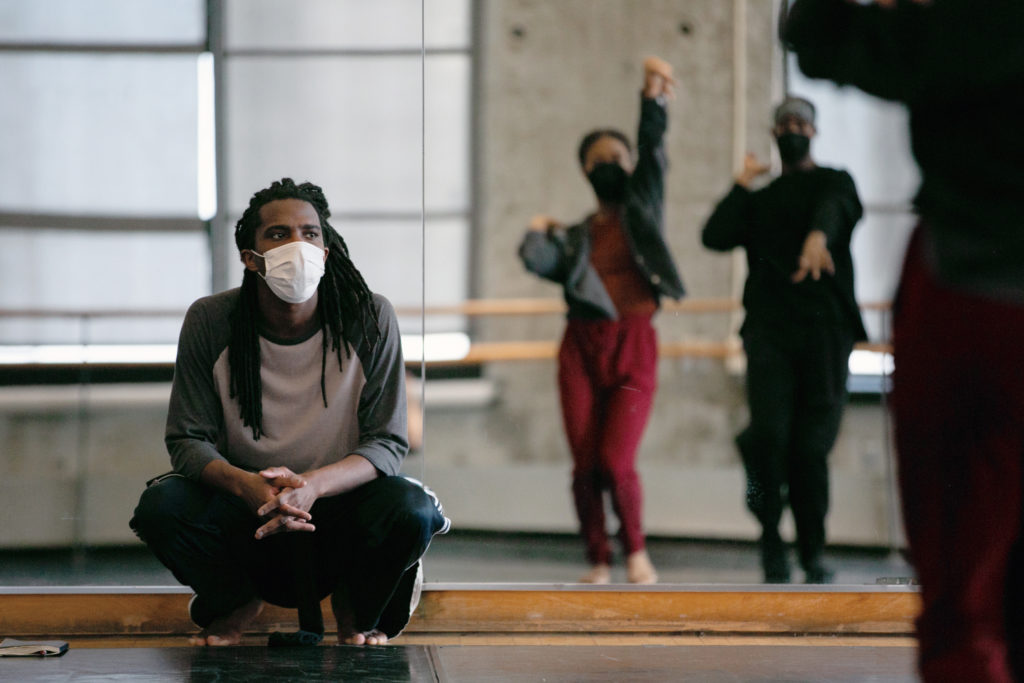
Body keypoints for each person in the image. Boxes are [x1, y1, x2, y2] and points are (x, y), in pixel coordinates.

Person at [784, 0, 1024, 679]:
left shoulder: (969, 24)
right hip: (974, 289)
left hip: (974, 295)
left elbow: (817, 32)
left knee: (962, 604)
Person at [130, 178, 450, 647]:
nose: (297, 245)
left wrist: (313, 486)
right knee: (162, 507)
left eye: (310, 233)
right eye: (278, 235)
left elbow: (387, 442)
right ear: (249, 256)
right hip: (247, 508)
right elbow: (186, 439)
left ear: (325, 250)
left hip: (337, 510)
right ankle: (235, 601)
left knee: (411, 508)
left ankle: (354, 607)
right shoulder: (211, 320)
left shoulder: (370, 317)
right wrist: (248, 486)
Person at [518, 57, 686, 585]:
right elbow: (536, 261)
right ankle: (598, 556)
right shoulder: (575, 236)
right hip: (581, 345)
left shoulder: (643, 209)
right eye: (599, 159)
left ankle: (635, 550)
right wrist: (536, 231)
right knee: (585, 464)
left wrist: (652, 100)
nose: (609, 163)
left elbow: (654, 154)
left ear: (631, 165)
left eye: (618, 156)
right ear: (586, 171)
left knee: (617, 460)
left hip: (634, 344)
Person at [702, 97, 866, 584]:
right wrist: (741, 182)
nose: (792, 130)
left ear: (813, 132)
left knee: (809, 449)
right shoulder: (760, 201)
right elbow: (715, 234)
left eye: (800, 123)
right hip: (769, 330)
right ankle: (771, 540)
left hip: (825, 330)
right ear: (774, 134)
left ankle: (813, 552)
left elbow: (839, 209)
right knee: (768, 440)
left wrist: (819, 235)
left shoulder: (835, 182)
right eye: (785, 124)